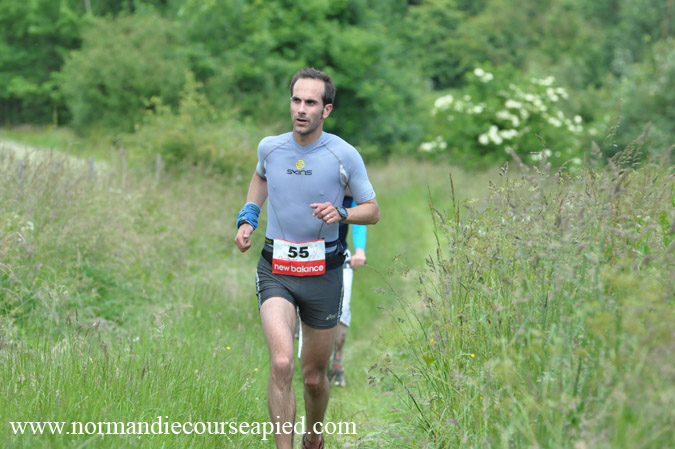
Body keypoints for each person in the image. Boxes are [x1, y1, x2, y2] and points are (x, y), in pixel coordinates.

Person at [234, 67, 380, 449]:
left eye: (310, 103)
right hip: (276, 269)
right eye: (296, 100)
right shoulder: (271, 147)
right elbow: (260, 177)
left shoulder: (343, 154)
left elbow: (372, 210)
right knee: (282, 362)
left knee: (314, 377)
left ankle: (313, 437)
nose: (301, 109)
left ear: (326, 110)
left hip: (324, 274)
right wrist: (249, 217)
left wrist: (341, 213)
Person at [329, 195, 367, 387]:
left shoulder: (349, 196)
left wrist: (360, 251)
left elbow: (359, 221)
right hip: (308, 256)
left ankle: (337, 362)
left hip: (339, 256)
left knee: (342, 308)